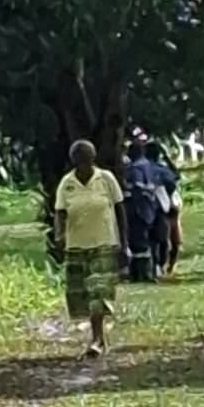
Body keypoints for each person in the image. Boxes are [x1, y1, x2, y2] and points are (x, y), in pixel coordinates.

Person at [52, 140, 127, 356]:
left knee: (99, 293)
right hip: (76, 247)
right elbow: (60, 212)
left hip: (103, 243)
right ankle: (100, 338)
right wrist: (60, 236)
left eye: (86, 159)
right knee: (82, 296)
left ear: (93, 159)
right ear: (73, 161)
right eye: (78, 160)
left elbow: (119, 208)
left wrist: (123, 242)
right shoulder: (67, 183)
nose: (83, 163)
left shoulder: (106, 179)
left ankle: (96, 340)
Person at [122, 136, 165, 282]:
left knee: (138, 243)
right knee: (150, 243)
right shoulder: (151, 166)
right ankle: (151, 272)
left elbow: (135, 188)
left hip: (137, 210)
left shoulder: (134, 169)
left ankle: (140, 274)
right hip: (151, 210)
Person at [148, 139, 183, 274]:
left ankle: (158, 264)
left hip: (147, 206)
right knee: (171, 237)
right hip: (165, 206)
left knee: (156, 238)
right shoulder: (162, 170)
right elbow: (174, 180)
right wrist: (167, 158)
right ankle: (166, 265)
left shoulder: (139, 167)